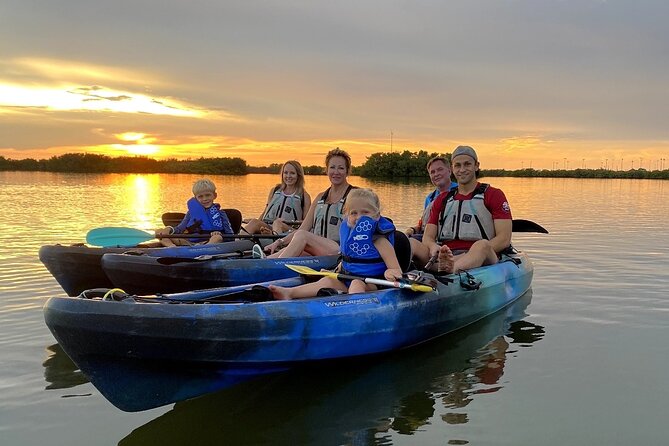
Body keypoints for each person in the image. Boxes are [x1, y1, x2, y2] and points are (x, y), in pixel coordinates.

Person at [269, 188, 402, 299]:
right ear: (347, 215)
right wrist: (334, 271)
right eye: (353, 213)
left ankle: (352, 310)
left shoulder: (379, 239)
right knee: (326, 281)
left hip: (372, 282)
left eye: (365, 212)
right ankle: (290, 293)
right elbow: (346, 259)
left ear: (376, 215)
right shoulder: (349, 233)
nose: (359, 217)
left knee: (357, 284)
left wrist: (391, 273)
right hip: (347, 277)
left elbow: (396, 269)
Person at [414, 145, 513, 273]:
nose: (462, 170)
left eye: (467, 164)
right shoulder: (442, 199)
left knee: (481, 245)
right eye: (458, 165)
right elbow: (428, 237)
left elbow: (504, 239)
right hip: (445, 256)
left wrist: (465, 256)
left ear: (476, 166)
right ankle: (392, 279)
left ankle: (450, 271)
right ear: (452, 169)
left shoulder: (493, 195)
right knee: (411, 243)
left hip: (482, 258)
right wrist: (433, 247)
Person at [261, 148, 356, 258]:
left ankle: (276, 266)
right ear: (327, 170)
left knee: (303, 236)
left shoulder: (354, 195)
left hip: (339, 250)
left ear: (347, 171)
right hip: (318, 249)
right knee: (288, 249)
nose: (336, 172)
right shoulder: (321, 197)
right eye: (332, 167)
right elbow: (303, 228)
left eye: (341, 168)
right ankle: (264, 262)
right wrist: (279, 242)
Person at [155, 178, 234, 247]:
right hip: (190, 243)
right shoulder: (190, 213)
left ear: (214, 196)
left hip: (210, 243)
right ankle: (172, 248)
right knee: (159, 232)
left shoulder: (221, 213)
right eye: (200, 196)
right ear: (195, 198)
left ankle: (203, 250)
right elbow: (180, 229)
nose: (205, 199)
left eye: (208, 195)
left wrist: (219, 233)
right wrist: (169, 229)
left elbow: (231, 237)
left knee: (217, 238)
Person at [242, 160, 312, 235]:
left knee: (278, 223)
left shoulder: (305, 196)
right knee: (254, 222)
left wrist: (289, 222)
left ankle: (275, 242)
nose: (288, 176)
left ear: (298, 175)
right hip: (269, 226)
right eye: (285, 173)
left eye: (292, 173)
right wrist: (258, 222)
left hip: (288, 230)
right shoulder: (274, 190)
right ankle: (236, 242)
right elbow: (266, 210)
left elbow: (306, 223)